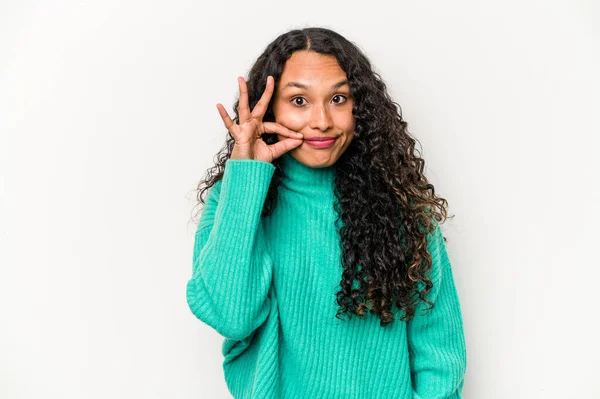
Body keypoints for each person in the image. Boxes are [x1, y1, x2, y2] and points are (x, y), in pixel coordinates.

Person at [186, 27, 467, 398]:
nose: (321, 120)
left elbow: (440, 357)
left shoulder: (401, 206)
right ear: (269, 109)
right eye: (299, 101)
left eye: (338, 98)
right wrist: (246, 179)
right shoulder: (238, 199)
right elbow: (229, 316)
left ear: (360, 107)